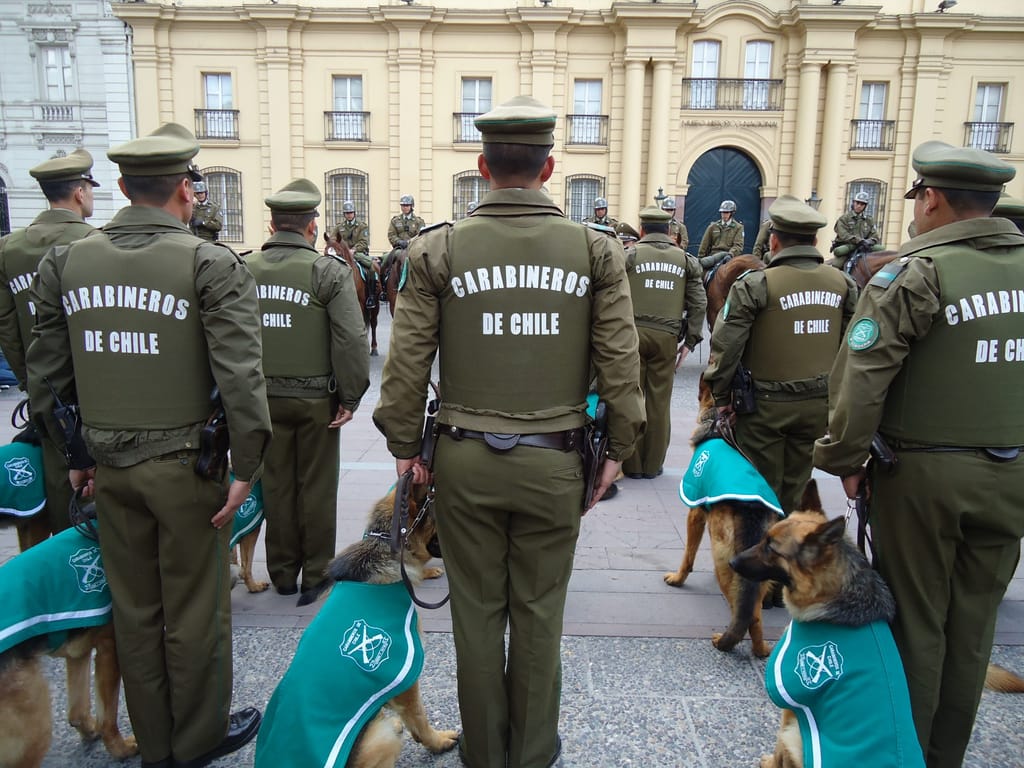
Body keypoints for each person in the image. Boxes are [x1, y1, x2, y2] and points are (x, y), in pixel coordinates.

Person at [372, 95, 644, 768]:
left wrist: (407, 449)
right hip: (556, 461)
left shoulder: (438, 247)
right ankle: (531, 753)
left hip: (463, 460)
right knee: (539, 615)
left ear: (481, 166)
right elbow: (620, 363)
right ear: (549, 167)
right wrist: (621, 450)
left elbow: (406, 365)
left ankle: (484, 753)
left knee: (475, 615)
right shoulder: (595, 250)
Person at [25, 122, 272, 768]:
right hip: (186, 468)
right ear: (186, 191)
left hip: (109, 466)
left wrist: (77, 456)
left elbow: (46, 376)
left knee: (134, 614)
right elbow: (242, 378)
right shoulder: (209, 262)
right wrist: (248, 464)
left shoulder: (68, 261)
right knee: (194, 613)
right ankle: (194, 741)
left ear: (122, 188)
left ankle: (156, 743)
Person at [813, 141, 1024, 768]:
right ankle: (945, 756)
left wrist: (845, 458)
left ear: (930, 198)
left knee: (919, 623)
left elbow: (863, 377)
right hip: (1013, 474)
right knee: (973, 626)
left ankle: (904, 754)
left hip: (926, 476)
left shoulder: (916, 272)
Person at [247, 179, 370, 598]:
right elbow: (351, 339)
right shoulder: (327, 271)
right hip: (317, 399)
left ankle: (281, 573)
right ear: (311, 226)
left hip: (262, 399)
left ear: (271, 225)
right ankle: (316, 573)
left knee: (277, 486)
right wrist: (351, 397)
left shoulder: (245, 269)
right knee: (316, 489)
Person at [704, 195, 857, 516]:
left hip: (764, 409)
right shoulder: (842, 282)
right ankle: (789, 549)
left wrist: (720, 396)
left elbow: (726, 344)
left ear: (773, 241)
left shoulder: (756, 284)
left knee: (760, 486)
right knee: (798, 480)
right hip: (817, 405)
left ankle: (761, 551)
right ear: (815, 240)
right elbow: (851, 347)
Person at [0, 149, 98, 549]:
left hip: (45, 393)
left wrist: (33, 382)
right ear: (79, 192)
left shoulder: (8, 249)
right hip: (94, 386)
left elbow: (7, 328)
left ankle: (61, 567)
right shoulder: (96, 243)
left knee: (58, 485)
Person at [623, 205, 705, 479]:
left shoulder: (630, 255)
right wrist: (690, 342)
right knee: (659, 403)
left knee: (632, 399)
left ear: (643, 230)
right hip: (667, 338)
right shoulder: (685, 260)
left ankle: (631, 465)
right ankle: (652, 466)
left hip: (632, 336)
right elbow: (699, 302)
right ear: (670, 231)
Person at [332, 199, 378, 309]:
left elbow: (364, 241)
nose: (349, 215)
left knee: (371, 267)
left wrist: (354, 250)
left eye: (351, 213)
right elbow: (333, 239)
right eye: (347, 213)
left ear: (354, 213)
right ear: (344, 214)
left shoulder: (362, 226)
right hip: (343, 254)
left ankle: (371, 296)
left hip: (358, 253)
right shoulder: (339, 227)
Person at [829, 190, 884, 269]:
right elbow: (843, 235)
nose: (859, 206)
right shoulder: (844, 218)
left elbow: (875, 235)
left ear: (865, 206)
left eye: (862, 204)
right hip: (847, 246)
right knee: (837, 265)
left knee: (883, 252)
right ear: (853, 203)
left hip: (864, 247)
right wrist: (859, 241)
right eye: (857, 203)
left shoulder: (869, 220)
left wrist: (869, 241)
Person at [381, 193, 425, 290]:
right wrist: (399, 242)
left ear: (411, 206)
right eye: (403, 205)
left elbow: (421, 236)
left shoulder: (418, 221)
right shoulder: (395, 220)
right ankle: (383, 289)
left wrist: (410, 242)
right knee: (383, 262)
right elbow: (391, 235)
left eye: (407, 205)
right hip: (398, 249)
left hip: (413, 249)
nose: (404, 208)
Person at [697, 200, 744, 273]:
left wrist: (731, 254)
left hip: (729, 257)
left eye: (726, 213)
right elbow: (704, 244)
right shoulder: (713, 226)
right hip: (713, 257)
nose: (724, 215)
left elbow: (738, 245)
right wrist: (700, 258)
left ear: (732, 213)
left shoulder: (738, 227)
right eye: (722, 212)